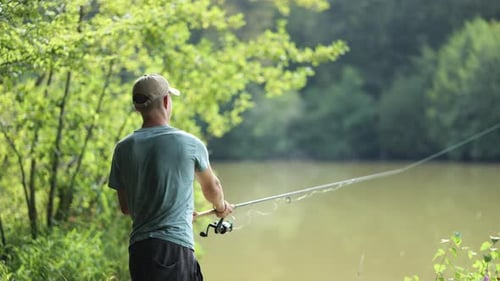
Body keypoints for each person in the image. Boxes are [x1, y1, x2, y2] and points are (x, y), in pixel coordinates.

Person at [108, 74, 233, 281]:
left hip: (139, 252)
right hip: (173, 250)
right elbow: (213, 189)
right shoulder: (189, 143)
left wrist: (175, 211)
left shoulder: (123, 148)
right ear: (166, 101)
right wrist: (220, 208)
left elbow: (127, 207)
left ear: (138, 107)